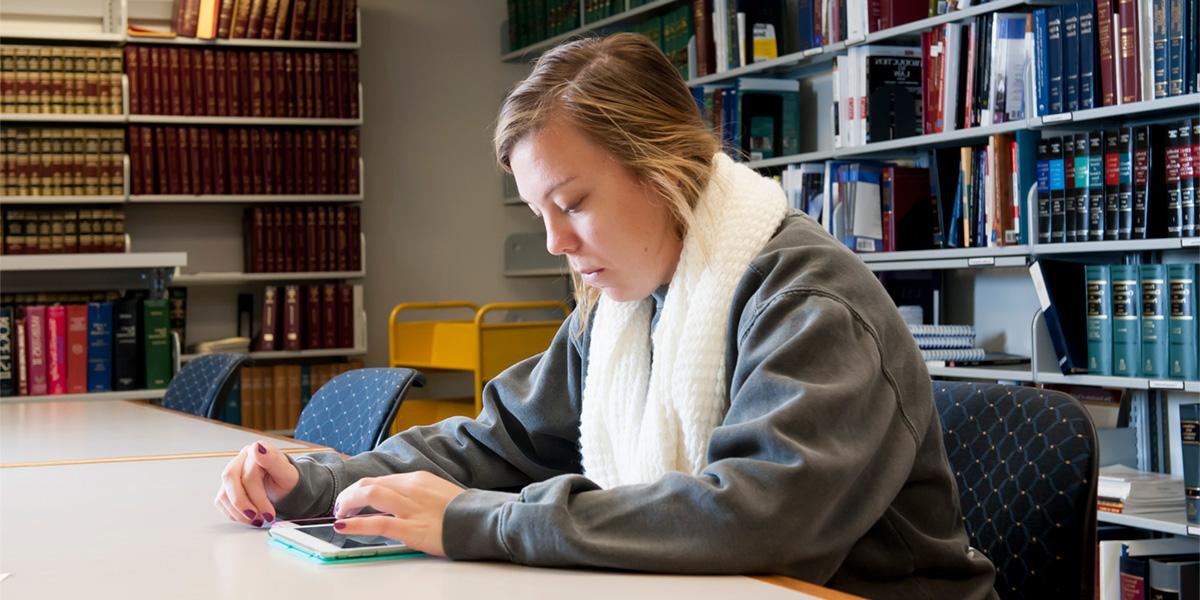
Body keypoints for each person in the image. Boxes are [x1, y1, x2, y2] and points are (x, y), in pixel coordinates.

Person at [215, 33, 998, 598]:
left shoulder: (808, 303)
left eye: (573, 204)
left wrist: (476, 523)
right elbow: (502, 441)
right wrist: (320, 483)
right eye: (539, 214)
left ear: (664, 168)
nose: (557, 242)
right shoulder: (623, 305)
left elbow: (754, 521)